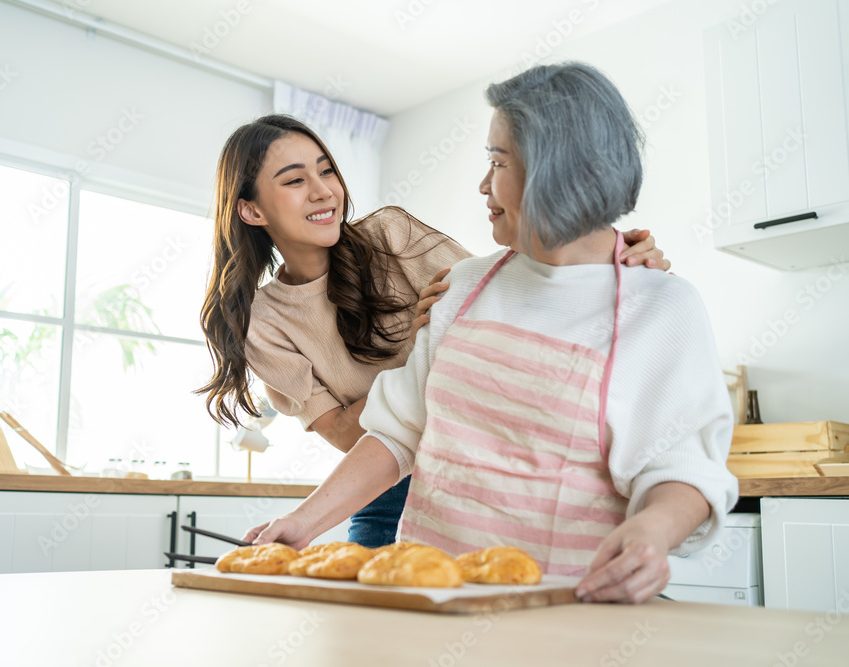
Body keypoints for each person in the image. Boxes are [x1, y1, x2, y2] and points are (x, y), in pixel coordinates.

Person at [244, 62, 738, 605]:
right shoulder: (464, 285)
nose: (483, 184)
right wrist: (304, 521)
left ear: (556, 169)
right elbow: (395, 430)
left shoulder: (661, 305)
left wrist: (653, 532)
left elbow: (681, 467)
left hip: (573, 607)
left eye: (497, 162)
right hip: (436, 600)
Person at [198, 114, 670, 549]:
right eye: (295, 180)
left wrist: (612, 263)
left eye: (327, 171)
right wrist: (426, 347)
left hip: (481, 467)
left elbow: (511, 299)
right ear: (252, 211)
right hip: (384, 493)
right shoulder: (263, 323)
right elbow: (347, 435)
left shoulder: (390, 235)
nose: (323, 191)